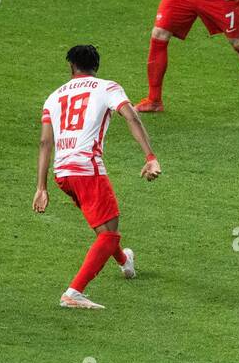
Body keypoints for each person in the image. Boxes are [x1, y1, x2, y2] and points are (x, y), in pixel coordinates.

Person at [35, 44, 161, 309]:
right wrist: (150, 157)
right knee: (109, 235)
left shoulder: (53, 97)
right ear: (97, 66)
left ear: (71, 66)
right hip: (87, 169)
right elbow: (132, 117)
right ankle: (73, 293)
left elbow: (45, 143)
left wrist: (41, 188)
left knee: (103, 227)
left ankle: (125, 262)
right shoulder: (107, 87)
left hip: (62, 174)